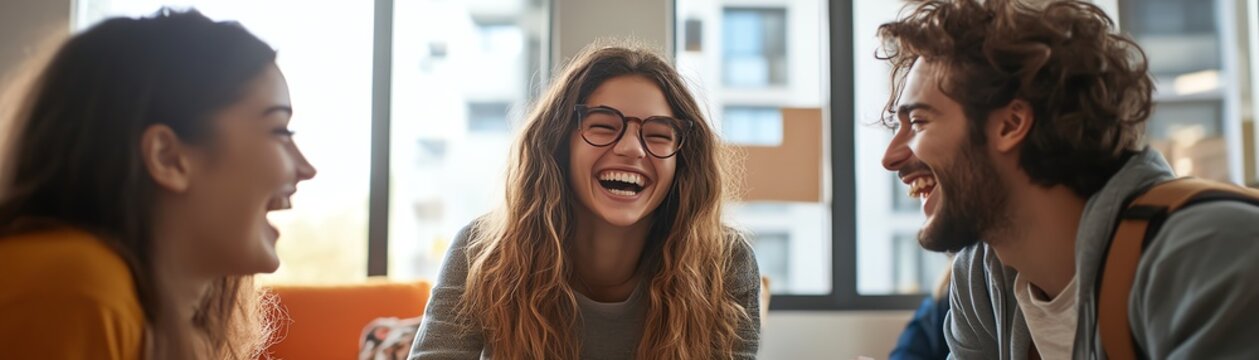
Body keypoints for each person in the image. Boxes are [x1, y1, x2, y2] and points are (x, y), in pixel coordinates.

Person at [876, 0, 1259, 358]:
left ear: (1010, 124)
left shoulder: (1209, 251)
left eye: (919, 122)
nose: (890, 158)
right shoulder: (980, 278)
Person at [409, 43, 761, 360]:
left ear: (682, 163)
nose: (632, 148)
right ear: (559, 144)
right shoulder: (481, 252)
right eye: (603, 126)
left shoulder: (726, 262)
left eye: (658, 135)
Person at [0, 9, 316, 359]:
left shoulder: (160, 322)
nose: (307, 168)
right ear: (167, 157)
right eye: (279, 131)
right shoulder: (75, 290)